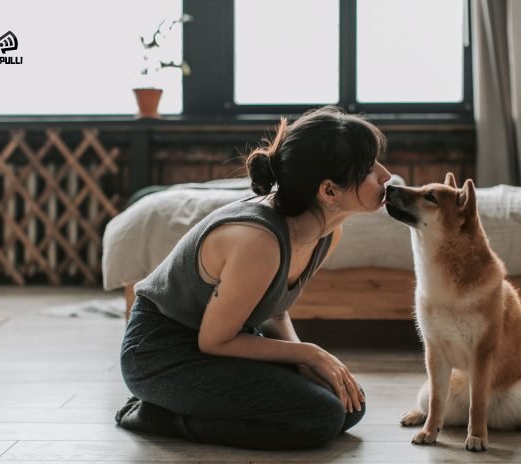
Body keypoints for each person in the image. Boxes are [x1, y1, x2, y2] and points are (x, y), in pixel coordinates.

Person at [115, 105, 392, 450]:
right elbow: (214, 341)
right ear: (329, 191)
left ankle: (185, 404)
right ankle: (156, 415)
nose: (386, 175)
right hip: (161, 354)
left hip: (224, 342)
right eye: (369, 168)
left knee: (349, 407)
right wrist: (309, 354)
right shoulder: (257, 241)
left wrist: (302, 360)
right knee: (320, 417)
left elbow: (275, 308)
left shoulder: (326, 232)